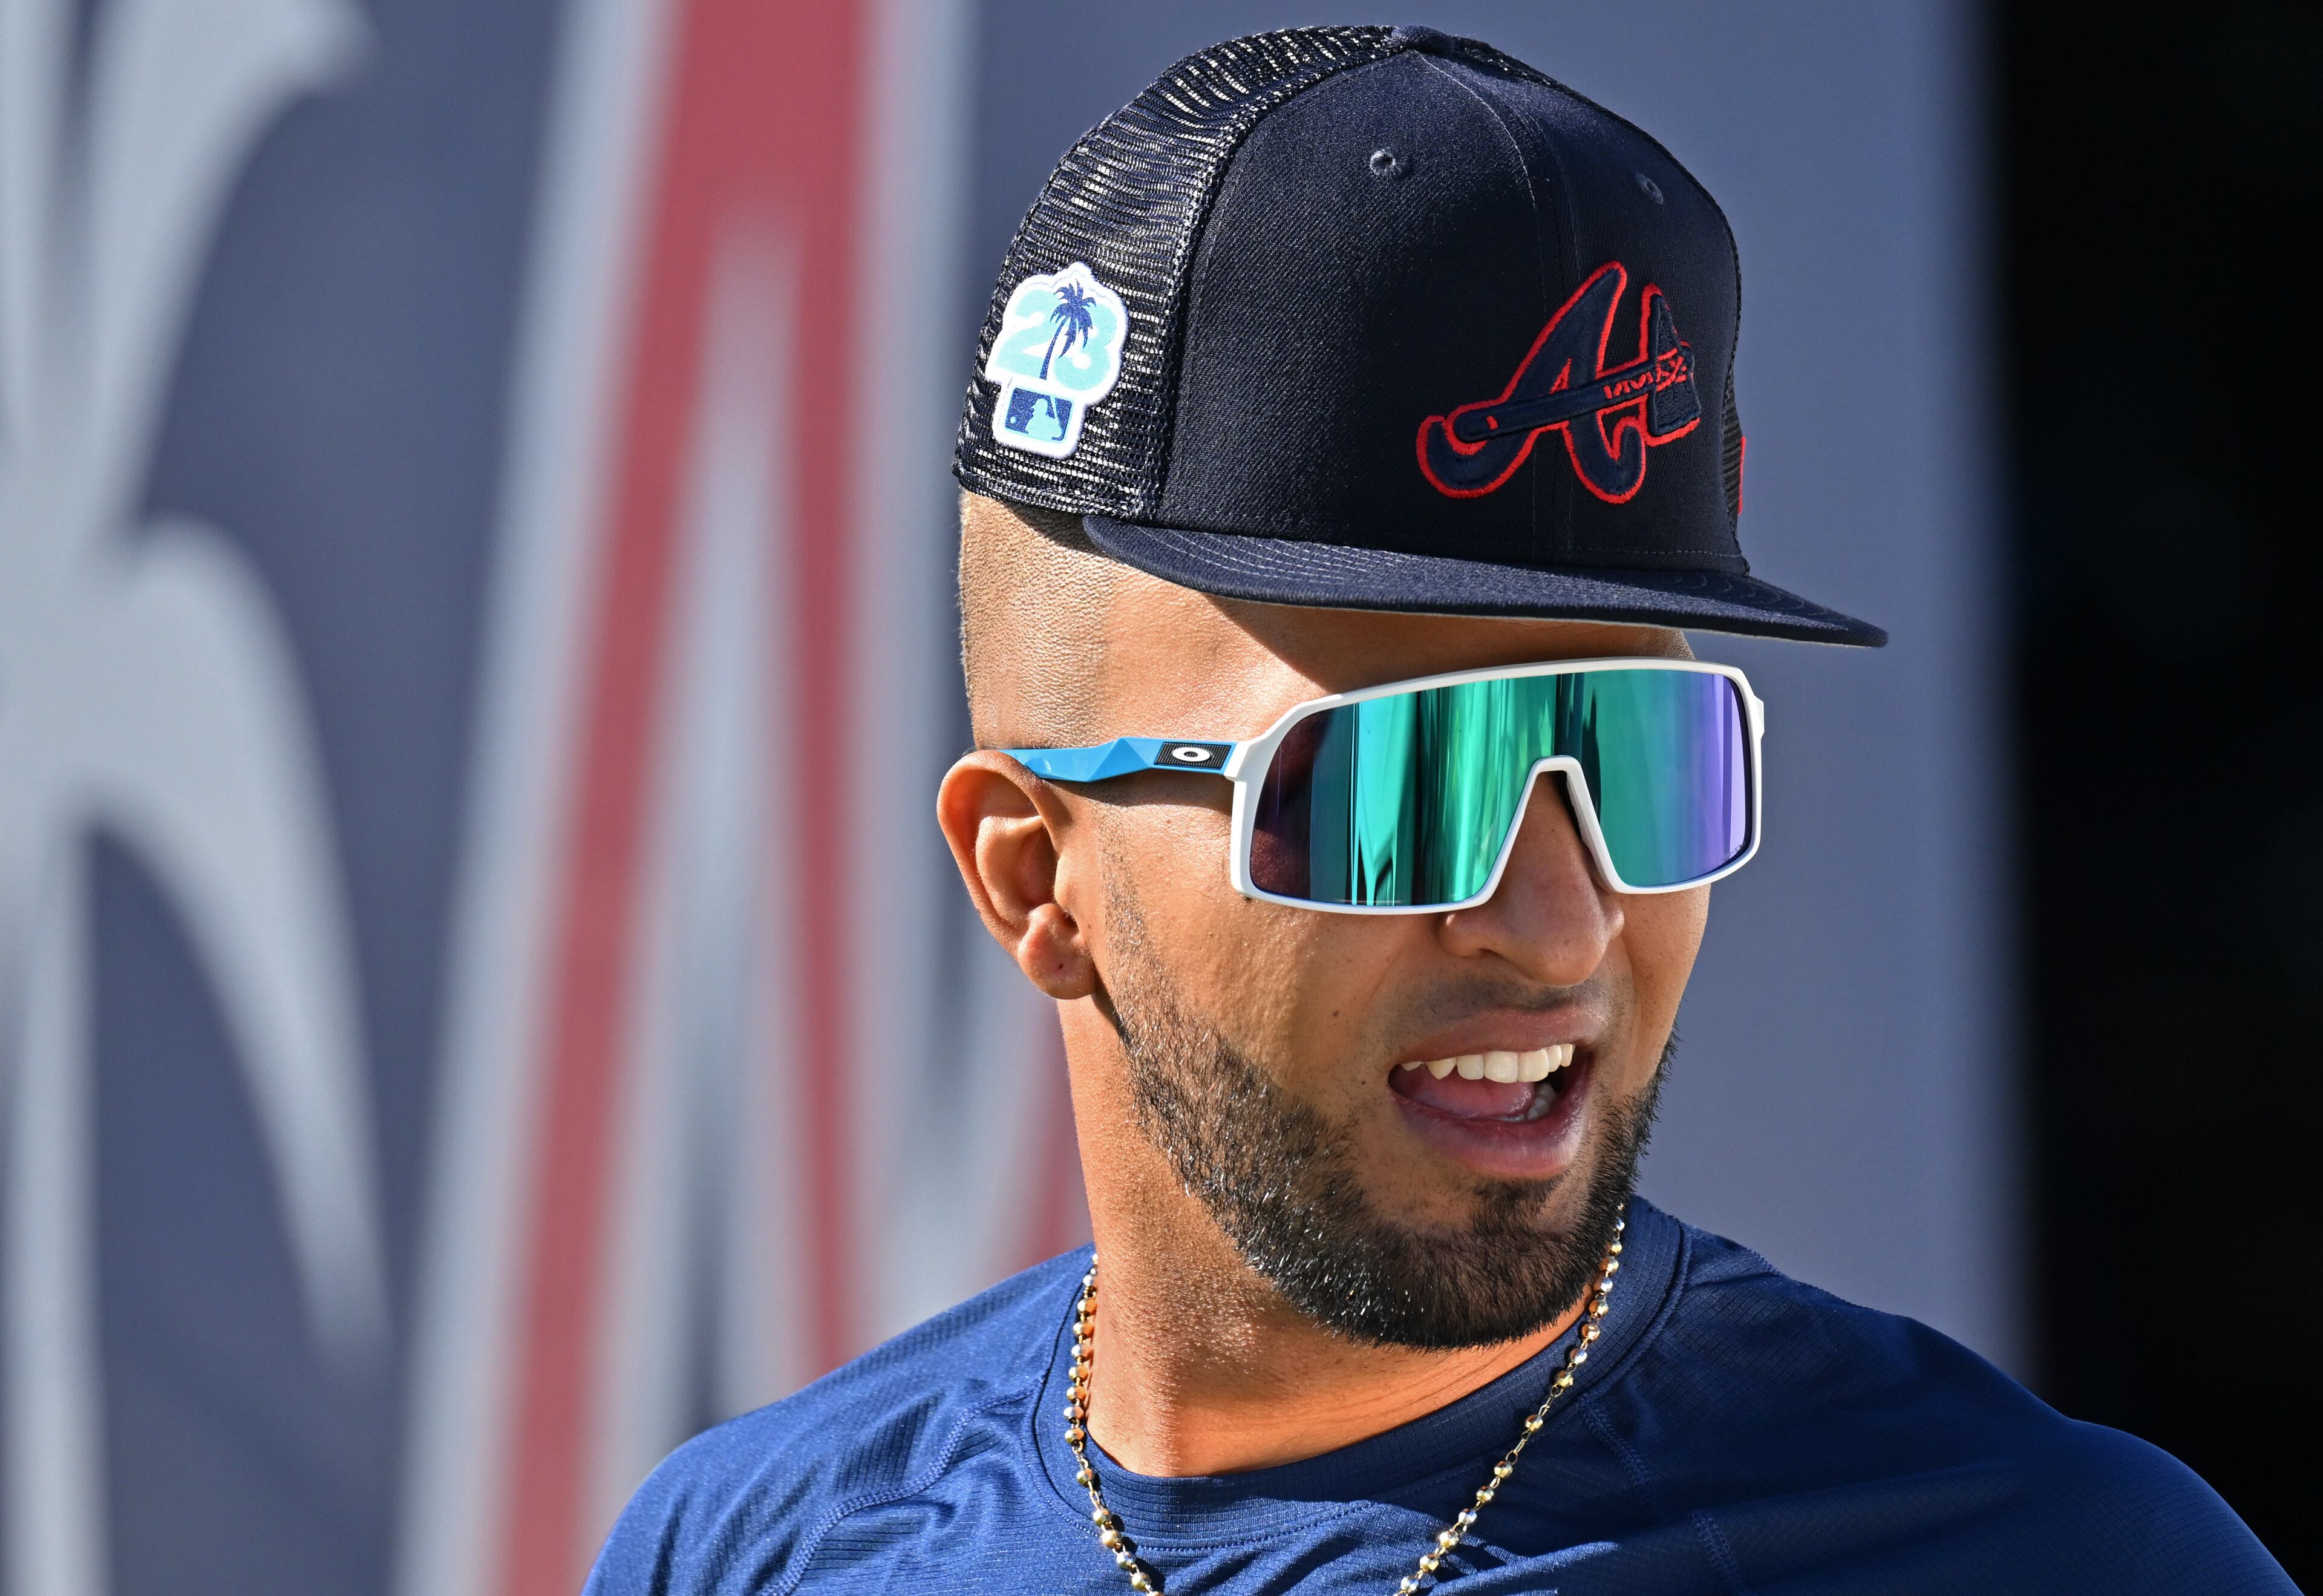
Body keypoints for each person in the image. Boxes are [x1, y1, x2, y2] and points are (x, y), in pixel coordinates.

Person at [583, 25, 2294, 1594]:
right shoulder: (756, 1550)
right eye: (1402, 786)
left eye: (1641, 760)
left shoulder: (2058, 1562)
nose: (1560, 924)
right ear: (1036, 876)